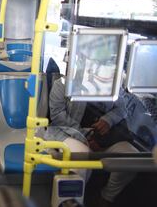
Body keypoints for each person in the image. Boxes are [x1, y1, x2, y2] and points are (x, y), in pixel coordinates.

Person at [49, 77, 138, 206]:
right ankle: (73, 203)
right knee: (81, 157)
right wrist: (86, 136)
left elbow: (122, 108)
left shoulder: (112, 84)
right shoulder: (63, 84)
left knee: (131, 157)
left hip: (105, 137)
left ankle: (106, 198)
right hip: (69, 132)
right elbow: (57, 116)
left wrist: (108, 120)